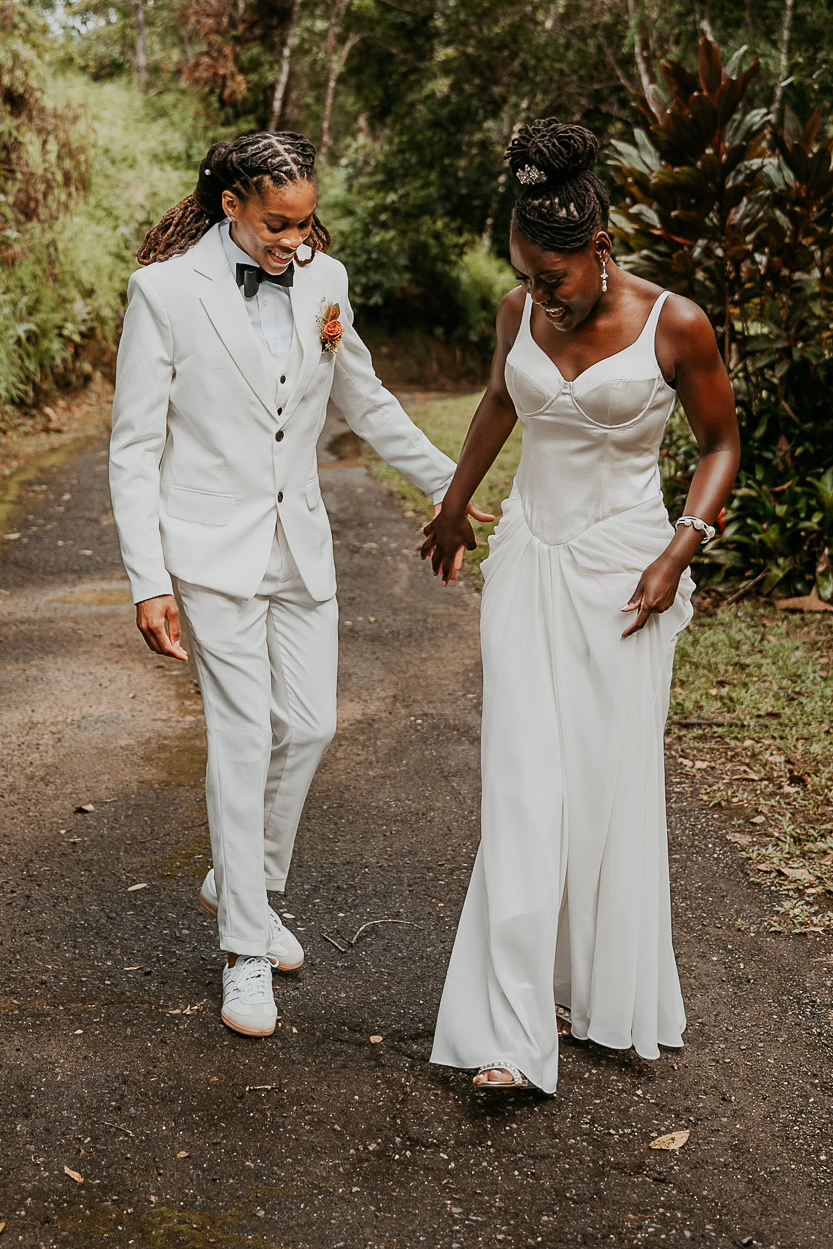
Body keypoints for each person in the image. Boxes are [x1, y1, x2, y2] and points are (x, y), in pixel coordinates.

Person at [109, 130, 484, 1039]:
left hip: (299, 547)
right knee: (242, 738)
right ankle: (244, 951)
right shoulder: (164, 293)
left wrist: (452, 488)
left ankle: (238, 881)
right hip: (208, 550)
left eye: (306, 221)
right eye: (278, 223)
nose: (294, 239)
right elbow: (135, 447)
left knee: (311, 722)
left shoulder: (325, 281)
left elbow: (367, 401)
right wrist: (147, 580)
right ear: (231, 204)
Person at [421, 118, 740, 1093]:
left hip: (624, 576)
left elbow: (721, 446)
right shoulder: (519, 309)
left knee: (603, 785)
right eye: (527, 275)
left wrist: (681, 551)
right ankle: (512, 1034)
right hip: (528, 560)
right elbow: (499, 403)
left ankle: (594, 993)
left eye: (554, 277)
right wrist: (452, 507)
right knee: (522, 782)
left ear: (599, 250)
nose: (541, 297)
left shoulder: (673, 323)